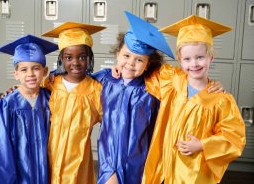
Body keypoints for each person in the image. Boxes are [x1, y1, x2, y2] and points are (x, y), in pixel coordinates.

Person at [141, 15, 246, 184]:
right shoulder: (172, 80)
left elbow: (234, 138)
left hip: (192, 172)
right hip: (164, 165)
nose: (194, 64)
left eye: (200, 57)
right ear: (180, 60)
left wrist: (203, 145)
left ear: (211, 57)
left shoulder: (221, 99)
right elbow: (142, 68)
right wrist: (118, 67)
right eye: (187, 59)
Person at [94, 11, 175, 184]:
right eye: (126, 56)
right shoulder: (106, 79)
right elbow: (76, 83)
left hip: (139, 161)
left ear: (147, 65)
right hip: (109, 158)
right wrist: (51, 78)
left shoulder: (152, 88)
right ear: (117, 55)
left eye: (139, 60)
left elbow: (183, 82)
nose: (131, 63)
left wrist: (209, 85)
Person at [0, 34, 58, 184]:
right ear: (16, 74)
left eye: (36, 68)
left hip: (46, 171)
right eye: (24, 70)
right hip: (18, 173)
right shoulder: (7, 105)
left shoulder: (51, 100)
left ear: (45, 72)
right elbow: (1, 150)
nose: (30, 74)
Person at [41, 22, 105, 184]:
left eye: (82, 57)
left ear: (89, 58)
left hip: (78, 159)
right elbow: (30, 95)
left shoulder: (97, 90)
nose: (75, 63)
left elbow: (111, 124)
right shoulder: (51, 83)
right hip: (51, 154)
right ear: (61, 58)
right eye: (69, 57)